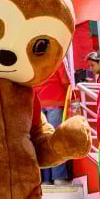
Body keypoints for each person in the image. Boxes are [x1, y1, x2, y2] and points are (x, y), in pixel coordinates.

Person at [35, 57, 72, 185]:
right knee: (56, 140)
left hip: (38, 103)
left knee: (42, 141)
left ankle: (45, 180)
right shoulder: (57, 57)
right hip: (55, 100)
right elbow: (66, 81)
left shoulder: (34, 58)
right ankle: (59, 177)